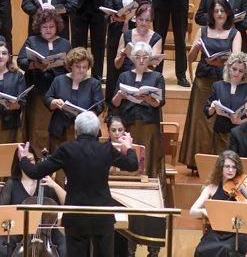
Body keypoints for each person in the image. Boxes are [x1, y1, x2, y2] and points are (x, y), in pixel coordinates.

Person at [17, 111, 138, 257]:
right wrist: (128, 148)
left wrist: (23, 159)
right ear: (97, 131)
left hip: (76, 214)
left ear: (76, 131)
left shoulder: (67, 149)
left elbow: (34, 172)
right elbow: (132, 165)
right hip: (102, 214)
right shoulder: (106, 149)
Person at [179, 0, 241, 168]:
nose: (219, 14)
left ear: (227, 13)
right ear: (211, 14)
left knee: (219, 120)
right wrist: (196, 48)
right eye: (216, 11)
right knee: (201, 120)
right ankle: (196, 161)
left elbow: (236, 60)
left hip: (223, 83)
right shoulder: (203, 31)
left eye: (222, 10)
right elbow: (190, 59)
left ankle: (218, 163)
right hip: (203, 81)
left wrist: (222, 61)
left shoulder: (235, 33)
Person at [17, 10, 72, 154]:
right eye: (45, 27)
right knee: (37, 126)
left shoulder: (65, 43)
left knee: (57, 126)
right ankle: (38, 157)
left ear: (57, 27)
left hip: (59, 91)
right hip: (38, 89)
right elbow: (21, 61)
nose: (48, 30)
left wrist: (66, 65)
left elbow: (72, 65)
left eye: (51, 27)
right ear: (39, 27)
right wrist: (35, 65)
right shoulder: (32, 40)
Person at [111, 41, 165, 178]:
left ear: (150, 58)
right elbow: (115, 104)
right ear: (133, 58)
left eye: (145, 57)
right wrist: (119, 95)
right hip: (128, 124)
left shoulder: (157, 77)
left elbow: (159, 102)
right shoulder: (124, 76)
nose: (141, 60)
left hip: (148, 124)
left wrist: (147, 99)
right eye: (138, 57)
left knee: (147, 159)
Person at [190, 150, 247, 257]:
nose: (230, 170)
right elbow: (192, 212)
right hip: (216, 232)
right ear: (220, 168)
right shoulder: (211, 188)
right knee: (201, 250)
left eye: (234, 167)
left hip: (237, 234)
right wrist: (204, 211)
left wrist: (246, 195)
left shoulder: (242, 188)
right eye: (227, 166)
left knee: (226, 249)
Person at [103, 0, 151, 99]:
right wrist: (114, 18)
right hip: (115, 35)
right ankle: (111, 105)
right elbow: (105, 15)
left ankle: (134, 100)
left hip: (138, 35)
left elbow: (148, 12)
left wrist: (133, 19)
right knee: (113, 70)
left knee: (135, 67)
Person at [45, 48, 105, 150]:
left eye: (84, 67)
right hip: (60, 130)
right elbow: (47, 98)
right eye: (78, 67)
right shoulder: (59, 80)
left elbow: (99, 106)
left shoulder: (94, 83)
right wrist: (53, 102)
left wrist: (89, 114)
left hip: (85, 131)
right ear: (71, 66)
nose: (81, 70)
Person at [204, 52, 247, 152]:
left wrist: (240, 121)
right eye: (234, 69)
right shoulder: (218, 85)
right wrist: (212, 108)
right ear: (228, 68)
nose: (236, 73)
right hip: (221, 133)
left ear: (245, 72)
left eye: (241, 71)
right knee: (221, 163)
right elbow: (207, 111)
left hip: (242, 134)